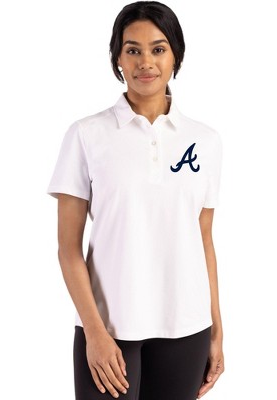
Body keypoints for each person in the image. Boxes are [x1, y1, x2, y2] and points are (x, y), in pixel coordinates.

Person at [47, 1, 225, 399]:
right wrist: (94, 333)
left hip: (187, 328)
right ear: (118, 58)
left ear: (176, 55)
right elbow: (68, 248)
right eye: (133, 50)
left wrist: (216, 329)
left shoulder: (206, 141)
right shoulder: (86, 135)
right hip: (109, 330)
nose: (146, 62)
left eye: (158, 49)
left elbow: (204, 240)